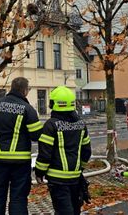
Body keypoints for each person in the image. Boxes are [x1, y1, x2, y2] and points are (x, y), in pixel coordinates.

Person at [0, 77, 43, 215]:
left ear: (12, 88)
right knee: (18, 198)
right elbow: (36, 135)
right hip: (21, 162)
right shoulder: (28, 109)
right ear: (25, 91)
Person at [34, 86, 92, 215]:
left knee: (63, 211)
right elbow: (86, 151)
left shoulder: (51, 125)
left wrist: (39, 172)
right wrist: (80, 168)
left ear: (52, 104)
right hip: (76, 177)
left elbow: (45, 154)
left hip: (57, 179)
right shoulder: (81, 124)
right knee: (75, 209)